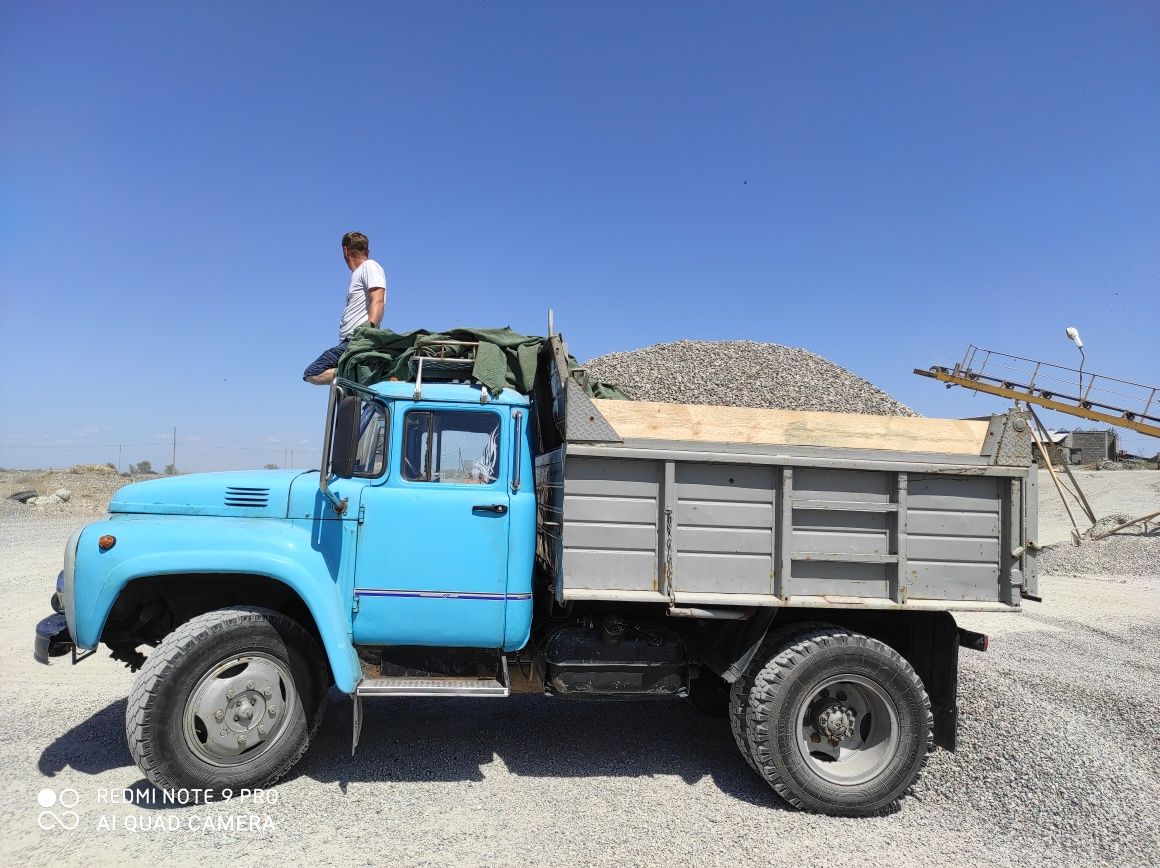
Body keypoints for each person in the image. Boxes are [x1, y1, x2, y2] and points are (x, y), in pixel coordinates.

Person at [303, 231, 387, 385]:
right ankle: (356, 373)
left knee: (313, 372)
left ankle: (361, 372)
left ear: (345, 250)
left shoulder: (370, 266)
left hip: (357, 340)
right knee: (344, 401)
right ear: (366, 251)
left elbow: (378, 300)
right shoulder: (359, 273)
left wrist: (367, 333)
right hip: (349, 342)